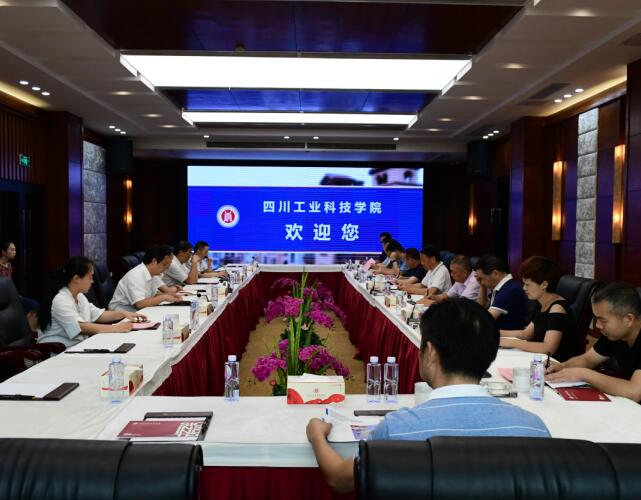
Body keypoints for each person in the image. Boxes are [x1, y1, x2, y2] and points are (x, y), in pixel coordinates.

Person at [306, 299, 550, 493]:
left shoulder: (398, 429)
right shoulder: (533, 428)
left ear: (430, 353)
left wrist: (317, 435)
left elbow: (339, 478)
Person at [546, 281, 641, 402]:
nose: (598, 325)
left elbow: (634, 392)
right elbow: (588, 359)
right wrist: (562, 366)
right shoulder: (614, 334)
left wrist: (584, 374)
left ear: (629, 319)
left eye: (603, 320)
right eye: (596, 319)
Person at [38, 257, 146, 348]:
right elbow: (80, 327)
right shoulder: (60, 299)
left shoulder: (80, 296)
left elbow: (99, 315)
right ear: (76, 278)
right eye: (90, 277)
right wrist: (115, 328)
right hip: (57, 351)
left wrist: (124, 314)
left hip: (77, 346)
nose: (92, 281)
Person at [499, 256, 579, 362]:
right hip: (540, 360)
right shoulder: (543, 302)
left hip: (556, 364)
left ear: (544, 284)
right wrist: (495, 333)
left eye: (527, 284)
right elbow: (526, 334)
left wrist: (510, 342)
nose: (524, 288)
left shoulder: (557, 308)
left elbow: (548, 348)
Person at [109, 244, 182, 312]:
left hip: (136, 311)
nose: (167, 268)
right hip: (120, 314)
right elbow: (139, 304)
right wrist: (164, 297)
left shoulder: (153, 274)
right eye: (165, 264)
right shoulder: (136, 275)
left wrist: (169, 295)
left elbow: (153, 294)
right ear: (154, 261)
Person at [474, 254, 528, 330]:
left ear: (495, 273)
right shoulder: (502, 287)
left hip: (509, 335)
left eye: (482, 278)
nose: (482, 282)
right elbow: (481, 306)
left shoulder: (510, 289)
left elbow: (485, 320)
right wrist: (482, 286)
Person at [1, 240, 39, 331]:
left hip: (11, 297)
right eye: (12, 250)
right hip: (4, 298)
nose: (14, 252)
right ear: (3, 252)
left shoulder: (9, 266)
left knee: (35, 306)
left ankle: (28, 331)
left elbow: (10, 283)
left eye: (15, 250)